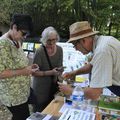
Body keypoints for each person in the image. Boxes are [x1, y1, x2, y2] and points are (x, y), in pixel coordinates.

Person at [58, 21, 120, 100]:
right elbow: (91, 65)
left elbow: (94, 93)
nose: (76, 49)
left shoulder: (102, 51)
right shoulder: (102, 42)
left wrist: (70, 91)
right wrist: (73, 73)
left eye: (75, 45)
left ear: (83, 40)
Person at [0, 14, 39, 120]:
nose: (25, 37)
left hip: (22, 94)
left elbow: (17, 63)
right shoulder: (2, 44)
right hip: (13, 96)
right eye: (24, 33)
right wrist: (24, 71)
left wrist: (29, 67)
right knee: (23, 117)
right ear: (14, 27)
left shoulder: (16, 40)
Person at [32, 26, 63, 112]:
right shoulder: (40, 51)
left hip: (53, 88)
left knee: (52, 112)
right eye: (49, 40)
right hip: (40, 90)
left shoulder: (60, 50)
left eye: (54, 39)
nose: (52, 42)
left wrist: (60, 71)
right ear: (44, 39)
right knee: (39, 113)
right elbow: (34, 73)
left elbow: (60, 66)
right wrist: (51, 72)